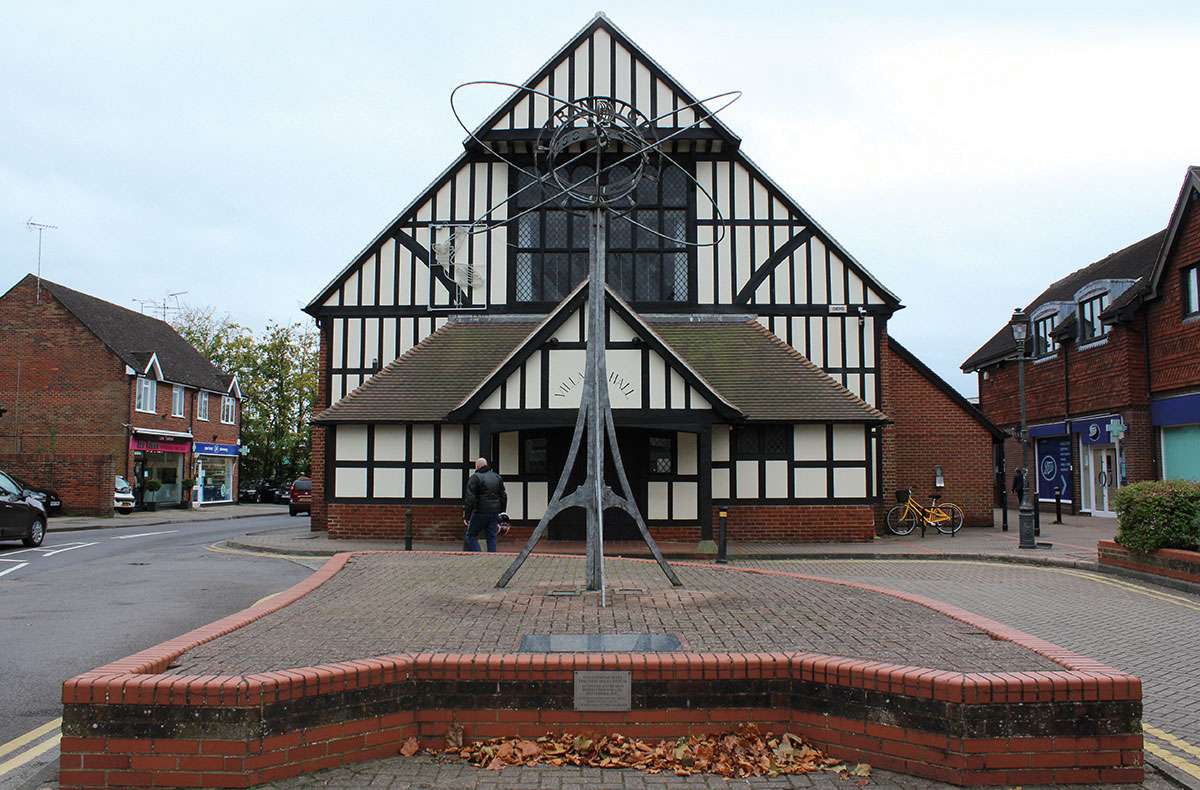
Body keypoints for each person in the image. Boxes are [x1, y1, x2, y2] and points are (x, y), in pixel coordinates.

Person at [463, 457, 507, 552]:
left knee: (470, 535)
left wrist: (467, 516)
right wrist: (502, 512)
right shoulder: (497, 477)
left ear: (477, 466)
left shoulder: (475, 477)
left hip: (480, 511)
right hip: (494, 512)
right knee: (491, 537)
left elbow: (470, 498)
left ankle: (479, 555)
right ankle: (491, 558)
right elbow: (503, 496)